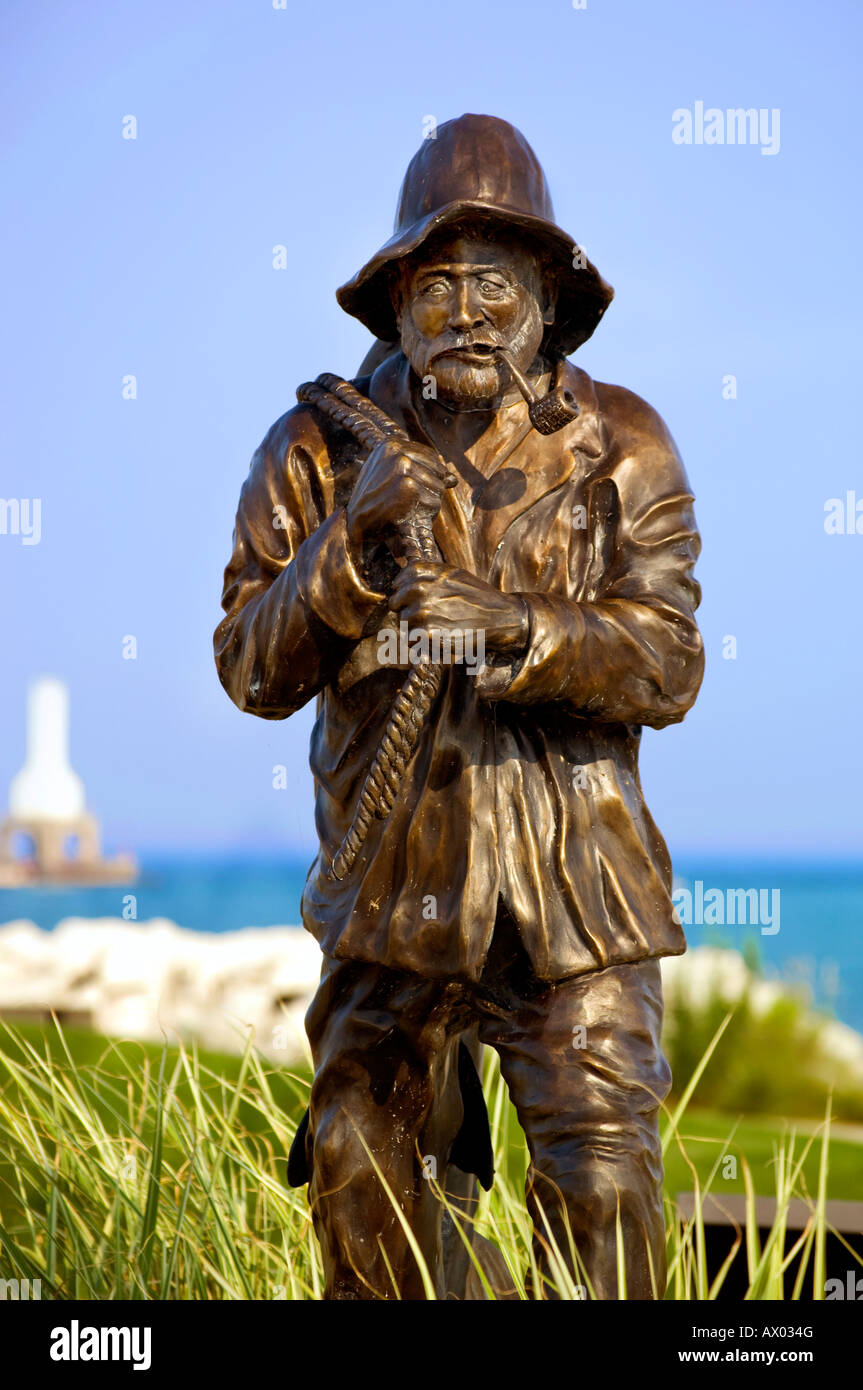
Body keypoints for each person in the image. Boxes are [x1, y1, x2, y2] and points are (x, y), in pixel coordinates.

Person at [214, 113, 704, 1300]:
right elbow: (248, 666)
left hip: (574, 894)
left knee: (601, 1181)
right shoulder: (318, 449)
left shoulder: (620, 442)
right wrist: (350, 545)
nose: (468, 313)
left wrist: (511, 628)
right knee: (357, 1172)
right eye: (438, 284)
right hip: (390, 892)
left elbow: (666, 660)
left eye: (496, 282)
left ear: (547, 294)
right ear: (395, 301)